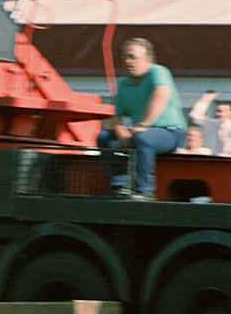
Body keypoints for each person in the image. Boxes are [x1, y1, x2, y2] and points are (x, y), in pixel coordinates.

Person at [97, 38, 186, 199]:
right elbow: (113, 116)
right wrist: (120, 131)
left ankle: (144, 191)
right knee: (104, 137)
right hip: (138, 133)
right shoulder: (123, 83)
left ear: (148, 60)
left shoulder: (158, 72)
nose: (127, 61)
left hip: (170, 133)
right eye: (125, 57)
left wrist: (143, 124)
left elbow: (160, 96)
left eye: (132, 57)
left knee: (143, 138)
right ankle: (119, 184)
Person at [188, 90, 231, 157]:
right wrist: (206, 99)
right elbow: (195, 116)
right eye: (218, 111)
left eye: (223, 111)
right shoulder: (212, 123)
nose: (219, 114)